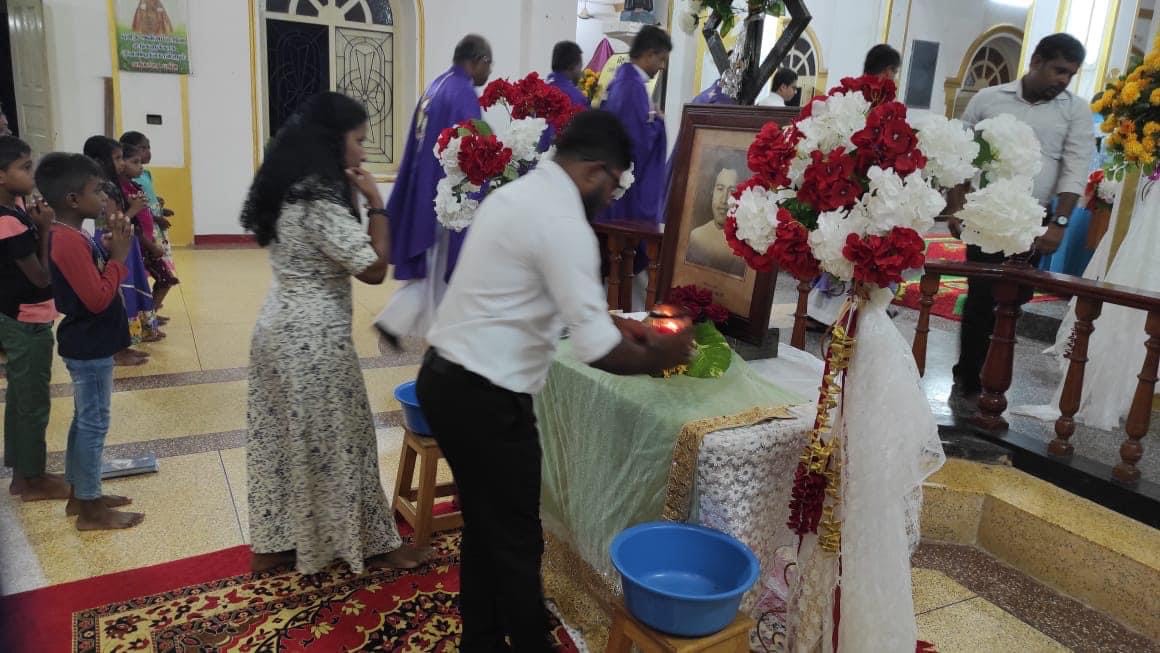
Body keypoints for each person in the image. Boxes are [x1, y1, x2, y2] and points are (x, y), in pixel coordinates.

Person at [417, 110, 694, 652]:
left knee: (487, 526)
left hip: (444, 381)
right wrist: (664, 354)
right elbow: (598, 351)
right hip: (486, 399)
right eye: (612, 186)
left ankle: (481, 642)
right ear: (595, 171)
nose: (610, 199)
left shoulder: (516, 196)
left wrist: (611, 323)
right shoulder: (565, 222)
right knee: (517, 540)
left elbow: (533, 296)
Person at [240, 92, 424, 575]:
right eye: (358, 140)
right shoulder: (319, 200)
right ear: (332, 140)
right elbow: (373, 269)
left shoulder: (291, 187)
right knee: (343, 441)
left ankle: (276, 542)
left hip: (277, 329)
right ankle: (369, 544)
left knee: (282, 440)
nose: (363, 152)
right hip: (313, 340)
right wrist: (378, 205)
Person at [947, 33, 1092, 398]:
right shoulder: (988, 99)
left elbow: (1075, 168)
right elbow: (960, 154)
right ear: (1036, 61)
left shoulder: (1074, 110)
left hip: (1032, 219)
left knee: (1012, 301)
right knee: (980, 296)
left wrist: (1059, 222)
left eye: (1071, 74)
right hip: (985, 214)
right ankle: (968, 377)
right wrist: (957, 206)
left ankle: (995, 378)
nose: (1064, 80)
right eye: (1059, 70)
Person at [37, 152, 144, 529]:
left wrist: (108, 248)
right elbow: (97, 298)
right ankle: (90, 509)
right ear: (72, 199)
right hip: (89, 345)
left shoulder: (72, 235)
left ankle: (80, 493)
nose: (103, 197)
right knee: (94, 424)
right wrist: (119, 258)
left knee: (85, 420)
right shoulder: (67, 241)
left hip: (89, 341)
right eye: (96, 190)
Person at [374, 34, 493, 343]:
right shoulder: (463, 93)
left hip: (423, 185)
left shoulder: (436, 86)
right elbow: (472, 155)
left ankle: (399, 321)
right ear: (478, 60)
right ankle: (414, 327)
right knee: (442, 265)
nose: (489, 72)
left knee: (431, 265)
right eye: (489, 64)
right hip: (444, 196)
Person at [806, 44, 902, 327]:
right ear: (888, 71)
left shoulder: (847, 94)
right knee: (857, 246)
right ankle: (851, 310)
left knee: (837, 242)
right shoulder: (880, 102)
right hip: (862, 181)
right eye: (894, 73)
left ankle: (826, 310)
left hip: (837, 179)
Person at [0, 136, 69, 502]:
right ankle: (32, 479)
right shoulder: (8, 222)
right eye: (25, 168)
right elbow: (41, 278)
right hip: (27, 321)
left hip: (17, 317)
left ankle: (22, 472)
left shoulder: (13, 210)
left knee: (20, 398)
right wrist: (45, 230)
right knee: (32, 402)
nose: (32, 175)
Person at [83, 136, 157, 363]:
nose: (122, 163)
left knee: (129, 289)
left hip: (123, 241)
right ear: (99, 161)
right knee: (119, 294)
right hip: (112, 241)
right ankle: (118, 350)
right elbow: (112, 221)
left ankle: (126, 343)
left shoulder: (111, 185)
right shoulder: (103, 188)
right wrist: (134, 209)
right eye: (117, 158)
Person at [599, 25, 671, 227]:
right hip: (628, 191)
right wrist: (658, 123)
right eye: (661, 59)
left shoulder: (623, 80)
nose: (662, 66)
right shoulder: (632, 88)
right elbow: (637, 143)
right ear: (649, 55)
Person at [120, 131, 179, 319]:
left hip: (152, 234)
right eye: (142, 148)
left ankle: (150, 314)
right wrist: (156, 219)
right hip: (143, 239)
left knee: (162, 275)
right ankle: (147, 316)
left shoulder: (144, 175)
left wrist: (160, 209)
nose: (147, 152)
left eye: (148, 147)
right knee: (157, 276)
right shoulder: (127, 185)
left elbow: (147, 202)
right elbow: (136, 214)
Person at [685, 163, 747, 277]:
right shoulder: (696, 237)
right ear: (712, 192)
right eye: (720, 189)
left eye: (732, 191)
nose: (724, 200)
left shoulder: (747, 244)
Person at [540, 41, 590, 151]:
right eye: (580, 67)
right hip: (561, 156)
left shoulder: (539, 90)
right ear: (572, 66)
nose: (581, 72)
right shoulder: (575, 97)